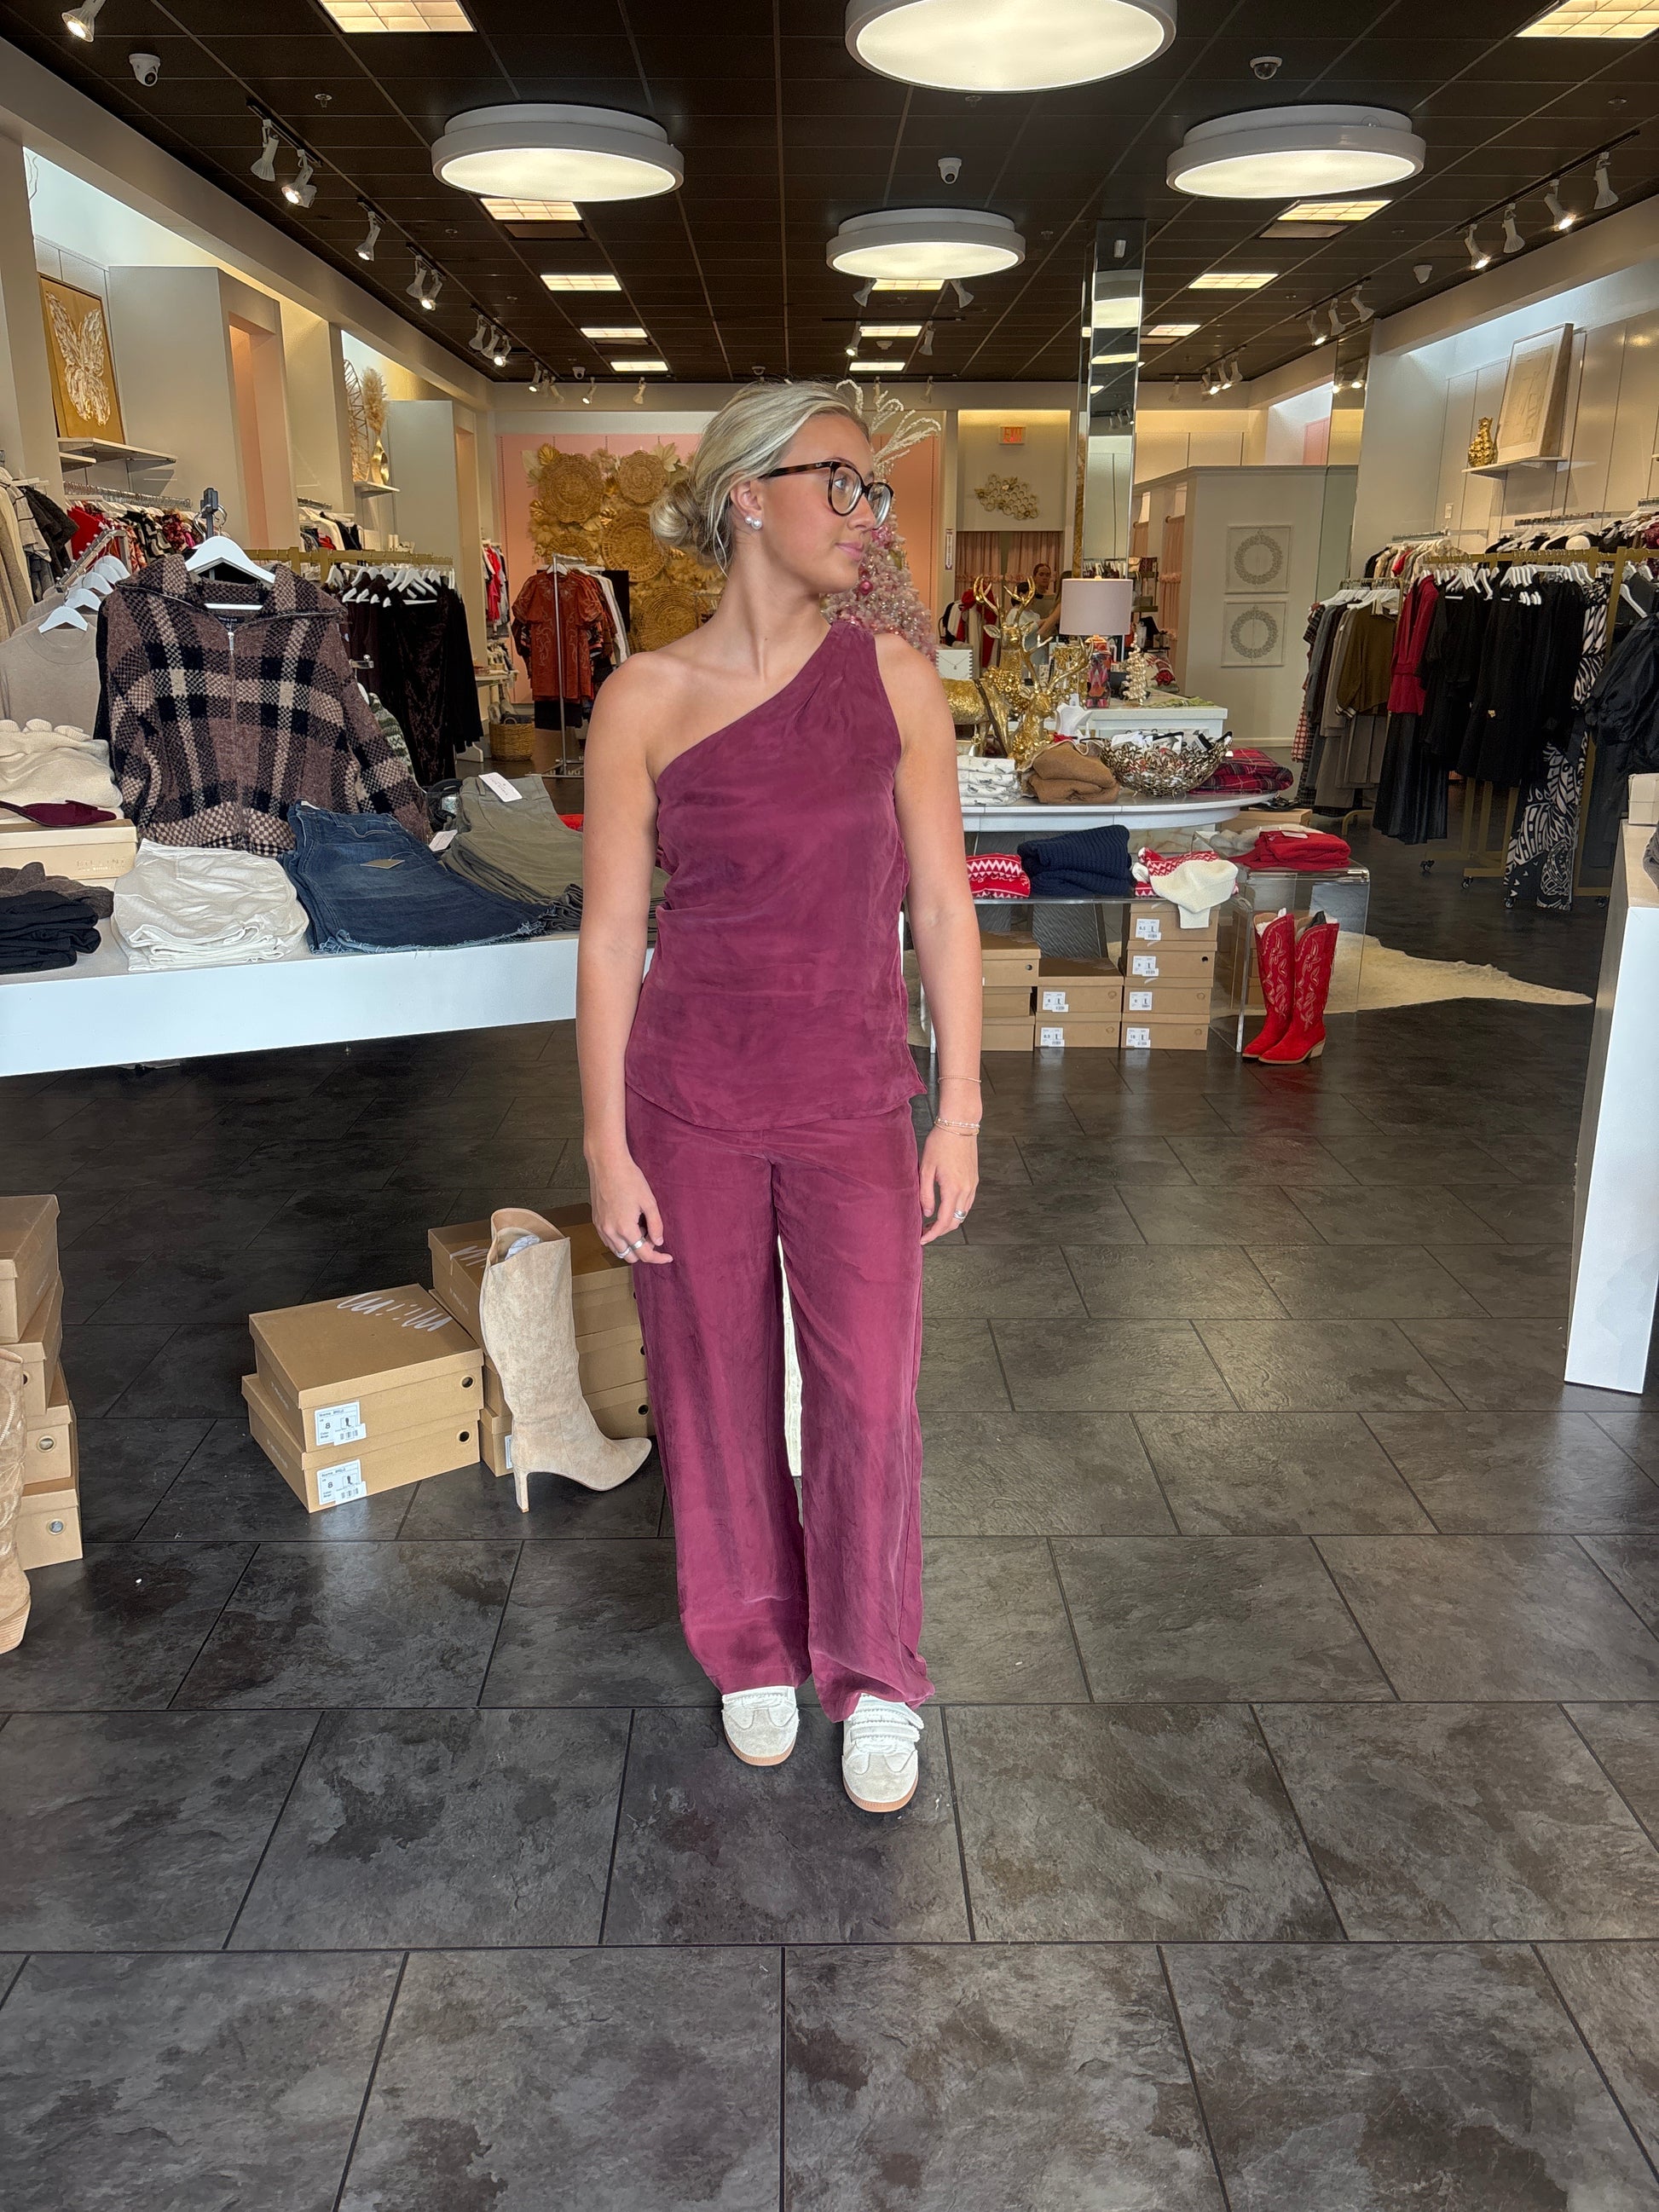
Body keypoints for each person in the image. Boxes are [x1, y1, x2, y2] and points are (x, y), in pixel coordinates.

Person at [577, 383, 982, 1814]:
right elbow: (611, 938)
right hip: (686, 1097)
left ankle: (874, 1671)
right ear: (748, 495)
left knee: (869, 1394)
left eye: (877, 493)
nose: (869, 518)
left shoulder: (894, 678)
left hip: (853, 1097)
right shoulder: (643, 698)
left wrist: (958, 1110)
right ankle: (749, 1641)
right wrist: (603, 1140)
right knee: (709, 1383)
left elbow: (942, 907)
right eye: (843, 486)